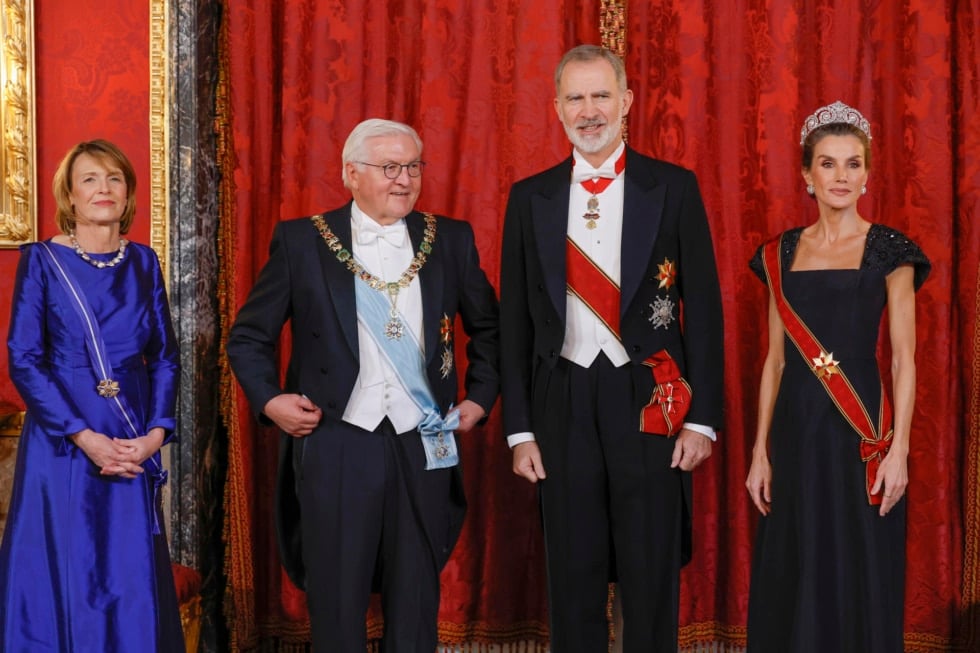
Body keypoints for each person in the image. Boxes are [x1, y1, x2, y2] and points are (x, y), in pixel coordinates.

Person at [226, 118, 499, 651]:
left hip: (423, 440)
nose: (404, 180)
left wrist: (479, 398)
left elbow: (490, 327)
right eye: (389, 167)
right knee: (337, 600)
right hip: (335, 439)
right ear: (351, 173)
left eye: (413, 167)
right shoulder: (302, 240)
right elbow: (248, 337)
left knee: (416, 600)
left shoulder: (451, 239)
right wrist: (270, 399)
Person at [499, 45, 724, 652]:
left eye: (601, 96)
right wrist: (520, 431)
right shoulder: (530, 197)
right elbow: (515, 321)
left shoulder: (673, 188)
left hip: (649, 395)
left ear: (626, 103)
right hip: (561, 399)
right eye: (575, 97)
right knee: (571, 571)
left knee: (649, 570)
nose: (589, 110)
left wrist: (702, 420)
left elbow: (702, 307)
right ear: (557, 108)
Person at [745, 101, 930, 652]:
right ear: (807, 175)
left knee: (859, 560)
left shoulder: (889, 251)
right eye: (828, 164)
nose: (841, 176)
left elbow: (903, 358)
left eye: (852, 164)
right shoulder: (778, 254)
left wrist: (897, 452)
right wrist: (760, 451)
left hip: (861, 433)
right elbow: (775, 361)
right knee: (797, 559)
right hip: (797, 433)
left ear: (868, 174)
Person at [0, 139, 184, 651]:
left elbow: (165, 357)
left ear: (127, 196)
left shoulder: (145, 263)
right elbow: (25, 359)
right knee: (68, 560)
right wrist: (83, 436)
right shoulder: (41, 261)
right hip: (64, 440)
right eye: (90, 180)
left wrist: (154, 435)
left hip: (130, 442)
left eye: (114, 179)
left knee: (128, 568)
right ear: (71, 196)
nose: (103, 189)